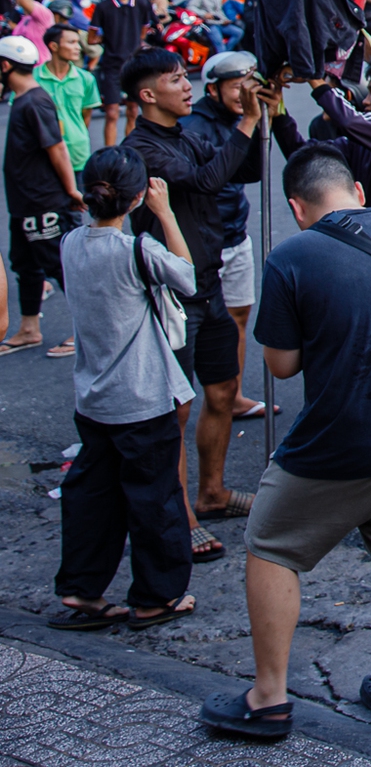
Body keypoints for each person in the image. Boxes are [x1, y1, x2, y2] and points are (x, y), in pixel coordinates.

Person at [201, 144, 371, 741]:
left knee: (270, 545)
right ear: (357, 193)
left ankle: (268, 698)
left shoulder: (292, 257)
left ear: (296, 207)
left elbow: (281, 366)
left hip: (333, 447)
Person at [116, 47, 264, 535]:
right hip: (171, 295)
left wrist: (256, 120)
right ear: (147, 94)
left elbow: (244, 172)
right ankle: (179, 514)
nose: (187, 86)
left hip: (209, 284)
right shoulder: (143, 148)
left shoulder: (186, 135)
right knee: (175, 410)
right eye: (177, 79)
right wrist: (243, 123)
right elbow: (204, 182)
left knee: (222, 391)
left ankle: (214, 493)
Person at [48, 151, 195, 634]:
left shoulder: (70, 243)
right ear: (136, 199)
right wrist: (167, 213)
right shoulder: (138, 250)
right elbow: (188, 278)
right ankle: (156, 598)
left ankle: (82, 587)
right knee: (155, 499)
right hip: (142, 396)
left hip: (93, 397)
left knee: (92, 494)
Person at [180, 52, 267, 421]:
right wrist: (249, 121)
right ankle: (201, 396)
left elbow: (255, 171)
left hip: (236, 233)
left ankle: (233, 394)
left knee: (239, 317)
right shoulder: (194, 127)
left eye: (250, 84)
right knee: (198, 329)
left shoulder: (245, 116)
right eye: (236, 86)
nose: (245, 93)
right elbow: (214, 179)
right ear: (212, 90)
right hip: (203, 244)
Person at [0, 34, 83, 357]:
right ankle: (29, 328)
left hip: (44, 202)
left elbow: (57, 148)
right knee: (25, 265)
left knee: (61, 267)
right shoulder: (21, 100)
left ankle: (85, 331)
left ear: (5, 65)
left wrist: (71, 191)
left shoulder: (35, 101)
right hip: (24, 203)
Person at [272, 55, 371, 217]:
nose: (365, 101)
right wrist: (279, 114)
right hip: (361, 236)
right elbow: (305, 156)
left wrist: (314, 78)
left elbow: (349, 120)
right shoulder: (362, 143)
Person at [92, 0, 153, 146]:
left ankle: (130, 150)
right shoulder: (103, 7)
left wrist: (134, 41)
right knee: (111, 112)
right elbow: (92, 36)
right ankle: (110, 153)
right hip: (111, 64)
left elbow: (144, 28)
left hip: (134, 63)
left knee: (133, 110)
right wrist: (109, 39)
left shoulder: (141, 2)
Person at [35, 22, 98, 187]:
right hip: (41, 156)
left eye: (78, 42)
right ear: (54, 46)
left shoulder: (86, 79)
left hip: (77, 155)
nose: (78, 47)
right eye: (71, 42)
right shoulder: (33, 79)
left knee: (75, 209)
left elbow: (86, 115)